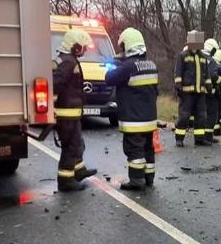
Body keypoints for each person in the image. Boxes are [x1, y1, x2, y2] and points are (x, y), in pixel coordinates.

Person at [105, 28, 159, 191]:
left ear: (127, 46)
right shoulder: (151, 65)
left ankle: (136, 180)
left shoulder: (128, 67)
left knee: (134, 149)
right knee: (148, 149)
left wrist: (114, 65)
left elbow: (109, 79)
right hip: (149, 118)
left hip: (133, 119)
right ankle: (149, 178)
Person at [53, 28, 97, 192]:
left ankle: (78, 171)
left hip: (72, 113)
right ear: (75, 46)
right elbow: (56, 83)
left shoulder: (68, 59)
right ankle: (66, 181)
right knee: (71, 146)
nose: (85, 50)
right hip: (67, 114)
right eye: (83, 46)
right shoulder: (67, 62)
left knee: (77, 143)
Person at [174, 31, 212, 147]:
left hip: (200, 92)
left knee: (201, 116)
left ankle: (199, 139)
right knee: (184, 116)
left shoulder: (203, 57)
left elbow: (207, 73)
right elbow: (178, 72)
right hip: (187, 92)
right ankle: (179, 138)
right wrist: (179, 87)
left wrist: (209, 85)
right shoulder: (183, 55)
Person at [203, 38, 221, 143]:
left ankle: (201, 136)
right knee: (212, 115)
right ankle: (208, 136)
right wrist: (219, 81)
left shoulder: (199, 57)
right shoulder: (211, 61)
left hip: (198, 92)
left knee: (202, 114)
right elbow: (214, 76)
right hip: (210, 93)